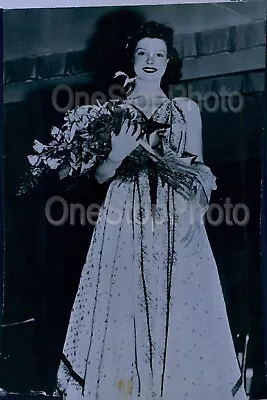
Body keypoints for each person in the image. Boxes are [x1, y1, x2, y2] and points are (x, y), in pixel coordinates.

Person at [55, 21, 247, 400]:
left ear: (168, 61)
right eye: (142, 52)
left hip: (176, 219)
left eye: (159, 54)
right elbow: (99, 176)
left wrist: (194, 213)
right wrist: (116, 154)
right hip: (124, 215)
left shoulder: (186, 110)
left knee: (179, 305)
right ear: (131, 58)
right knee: (125, 303)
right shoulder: (109, 112)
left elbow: (201, 174)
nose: (150, 60)